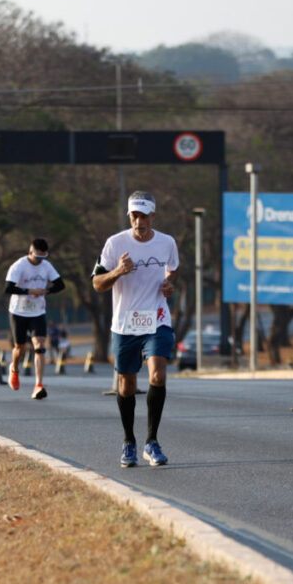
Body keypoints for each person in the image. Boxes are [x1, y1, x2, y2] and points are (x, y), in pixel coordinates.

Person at [92, 191, 179, 468]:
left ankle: (152, 442)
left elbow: (172, 269)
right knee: (126, 385)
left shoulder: (167, 242)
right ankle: (129, 441)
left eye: (144, 216)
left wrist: (168, 284)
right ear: (129, 216)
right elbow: (97, 283)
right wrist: (117, 271)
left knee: (157, 375)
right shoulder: (115, 243)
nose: (139, 222)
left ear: (153, 216)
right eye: (134, 216)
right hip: (125, 322)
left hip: (157, 318)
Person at [5, 238, 65, 399]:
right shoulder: (19, 265)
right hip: (18, 311)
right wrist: (29, 291)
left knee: (39, 345)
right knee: (20, 347)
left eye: (43, 257)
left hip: (37, 312)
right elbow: (8, 288)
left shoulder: (46, 266)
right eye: (37, 257)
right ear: (30, 252)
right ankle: (14, 369)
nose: (40, 261)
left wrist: (46, 291)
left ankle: (38, 384)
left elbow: (60, 285)